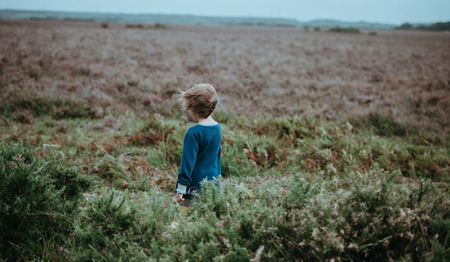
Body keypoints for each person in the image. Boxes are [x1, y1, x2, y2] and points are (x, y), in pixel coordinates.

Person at [175, 83, 222, 207]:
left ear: (193, 109)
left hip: (192, 189)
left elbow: (187, 163)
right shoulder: (217, 128)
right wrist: (217, 185)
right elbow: (216, 159)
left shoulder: (193, 132)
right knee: (205, 220)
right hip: (212, 188)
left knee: (181, 222)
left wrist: (181, 189)